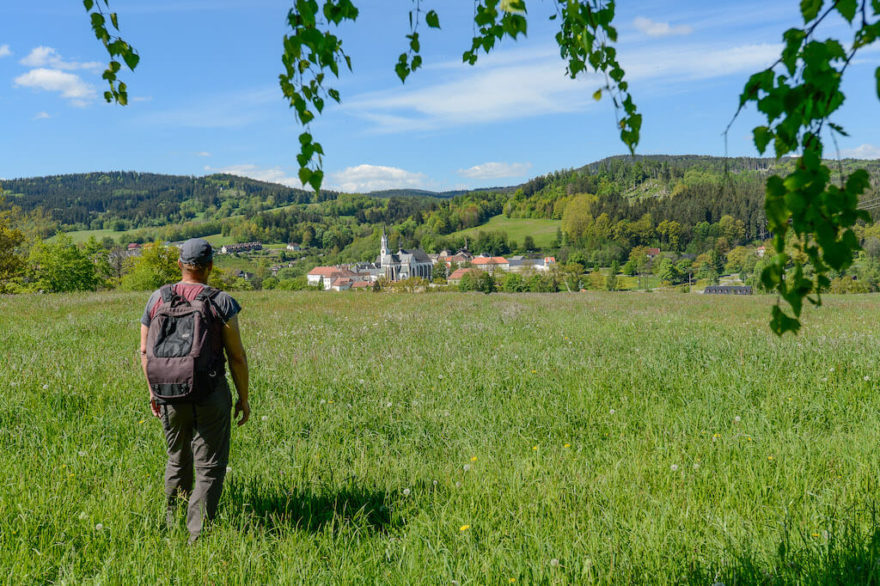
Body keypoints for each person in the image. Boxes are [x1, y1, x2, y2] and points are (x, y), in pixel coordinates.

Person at [139, 238, 250, 543]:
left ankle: (170, 522)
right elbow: (236, 355)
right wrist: (244, 397)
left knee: (177, 458)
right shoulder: (221, 301)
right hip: (210, 392)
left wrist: (154, 392)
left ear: (180, 265)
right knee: (210, 466)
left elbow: (145, 352)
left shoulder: (157, 299)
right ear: (211, 266)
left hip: (167, 392)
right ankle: (196, 537)